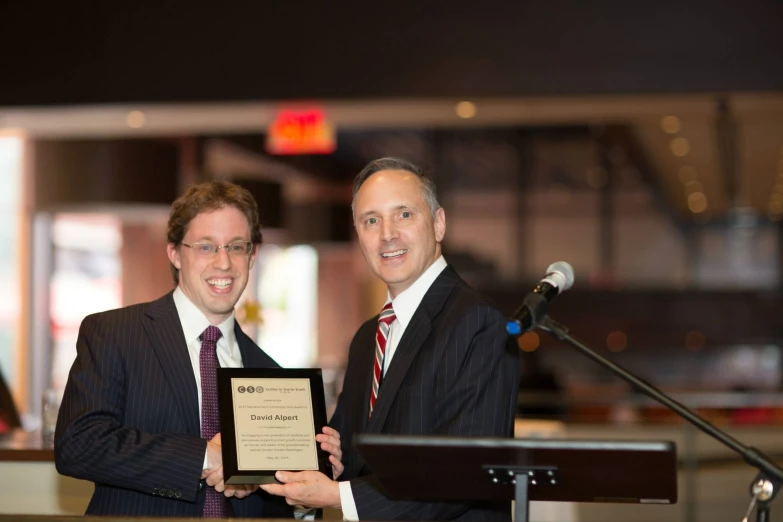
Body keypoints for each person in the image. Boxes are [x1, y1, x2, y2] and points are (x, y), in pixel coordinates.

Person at [55, 180, 342, 518]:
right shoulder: (116, 334)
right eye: (206, 247)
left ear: (252, 257)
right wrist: (206, 456)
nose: (223, 263)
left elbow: (273, 504)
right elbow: (78, 445)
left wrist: (305, 494)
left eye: (236, 247)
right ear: (175, 253)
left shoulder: (274, 376)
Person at [261, 158, 520, 521]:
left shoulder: (480, 324)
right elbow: (351, 458)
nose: (387, 234)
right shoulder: (368, 337)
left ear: (439, 223)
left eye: (403, 215)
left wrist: (338, 495)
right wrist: (328, 463)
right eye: (371, 220)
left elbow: (466, 470)